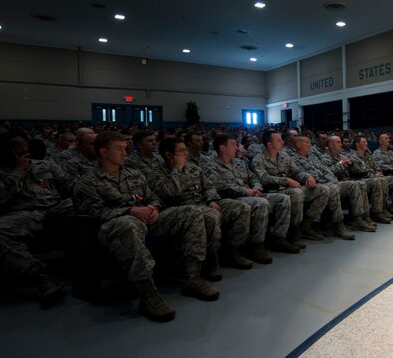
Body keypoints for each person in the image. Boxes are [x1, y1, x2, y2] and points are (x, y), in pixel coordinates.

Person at [72, 131, 211, 322]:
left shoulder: (134, 174)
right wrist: (129, 210)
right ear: (104, 152)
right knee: (128, 225)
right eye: (119, 149)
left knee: (192, 212)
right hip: (114, 227)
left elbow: (153, 196)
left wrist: (153, 207)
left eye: (125, 149)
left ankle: (193, 278)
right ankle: (148, 295)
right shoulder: (88, 182)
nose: (125, 153)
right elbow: (94, 213)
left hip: (147, 219)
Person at [0, 130, 74, 308]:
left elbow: (70, 185)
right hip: (23, 214)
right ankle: (41, 278)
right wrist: (18, 171)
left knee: (88, 207)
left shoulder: (45, 165)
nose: (22, 150)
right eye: (16, 147)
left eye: (23, 145)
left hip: (55, 208)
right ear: (1, 150)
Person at [148, 137, 253, 273]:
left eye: (185, 150)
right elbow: (170, 192)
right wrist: (177, 169)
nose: (185, 154)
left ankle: (233, 251)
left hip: (203, 203)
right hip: (179, 210)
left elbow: (209, 186)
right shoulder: (157, 173)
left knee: (241, 207)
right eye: (181, 151)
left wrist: (211, 200)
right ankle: (211, 259)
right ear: (169, 155)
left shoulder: (193, 168)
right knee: (211, 216)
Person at [205, 134, 282, 264]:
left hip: (249, 195)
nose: (237, 147)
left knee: (280, 198)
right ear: (222, 148)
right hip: (227, 198)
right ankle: (236, 250)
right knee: (259, 203)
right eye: (234, 144)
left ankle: (263, 243)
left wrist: (257, 188)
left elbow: (254, 178)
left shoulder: (240, 163)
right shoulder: (211, 165)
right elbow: (218, 186)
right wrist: (246, 191)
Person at [252, 129, 326, 249]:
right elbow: (264, 178)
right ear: (269, 144)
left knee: (322, 189)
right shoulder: (258, 159)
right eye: (279, 140)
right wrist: (286, 180)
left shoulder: (284, 156)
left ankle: (306, 226)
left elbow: (296, 171)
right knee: (296, 193)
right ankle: (291, 233)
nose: (282, 142)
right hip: (271, 192)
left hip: (287, 189)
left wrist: (308, 176)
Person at [289, 136, 361, 239]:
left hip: (326, 182)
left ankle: (357, 218)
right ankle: (338, 225)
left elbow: (326, 170)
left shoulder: (312, 157)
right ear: (298, 145)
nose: (310, 144)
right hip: (312, 186)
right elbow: (299, 175)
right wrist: (326, 180)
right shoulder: (294, 159)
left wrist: (332, 178)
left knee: (353, 185)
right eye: (307, 142)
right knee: (332, 188)